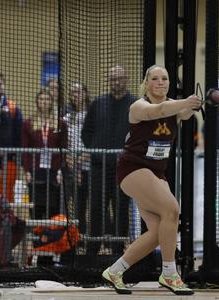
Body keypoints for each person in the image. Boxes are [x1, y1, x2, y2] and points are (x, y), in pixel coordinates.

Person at [102, 65, 201, 295]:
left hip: (156, 173)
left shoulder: (174, 107)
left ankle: (115, 270)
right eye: (154, 79)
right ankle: (169, 273)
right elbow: (160, 110)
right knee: (172, 210)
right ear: (146, 84)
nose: (160, 82)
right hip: (133, 169)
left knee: (159, 231)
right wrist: (186, 102)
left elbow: (183, 113)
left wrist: (193, 104)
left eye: (164, 78)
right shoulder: (139, 106)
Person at [81, 65, 138, 255]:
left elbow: (140, 135)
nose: (116, 82)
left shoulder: (135, 104)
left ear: (126, 79)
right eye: (113, 79)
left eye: (119, 78)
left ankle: (118, 252)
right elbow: (86, 132)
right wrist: (96, 152)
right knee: (97, 208)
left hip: (124, 169)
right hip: (99, 167)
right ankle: (92, 252)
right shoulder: (98, 103)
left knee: (121, 209)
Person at [22, 89, 67, 219]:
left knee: (53, 208)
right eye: (41, 99)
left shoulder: (60, 124)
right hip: (35, 169)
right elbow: (25, 149)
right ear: (37, 102)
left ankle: (52, 238)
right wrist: (26, 171)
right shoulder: (28, 124)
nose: (44, 102)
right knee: (36, 207)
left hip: (54, 170)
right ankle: (37, 238)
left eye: (47, 99)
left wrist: (60, 170)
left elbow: (64, 148)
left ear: (51, 102)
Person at [0, 73, 23, 202]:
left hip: (7, 160)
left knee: (5, 197)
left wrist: (17, 159)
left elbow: (18, 136)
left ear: (4, 86)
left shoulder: (13, 108)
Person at [63, 81, 91, 235]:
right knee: (76, 205)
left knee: (94, 205)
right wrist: (71, 160)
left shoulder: (91, 114)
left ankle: (100, 240)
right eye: (73, 92)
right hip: (71, 166)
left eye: (79, 91)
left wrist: (83, 158)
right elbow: (65, 141)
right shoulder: (68, 117)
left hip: (90, 166)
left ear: (85, 94)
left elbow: (94, 139)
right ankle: (77, 238)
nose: (76, 95)